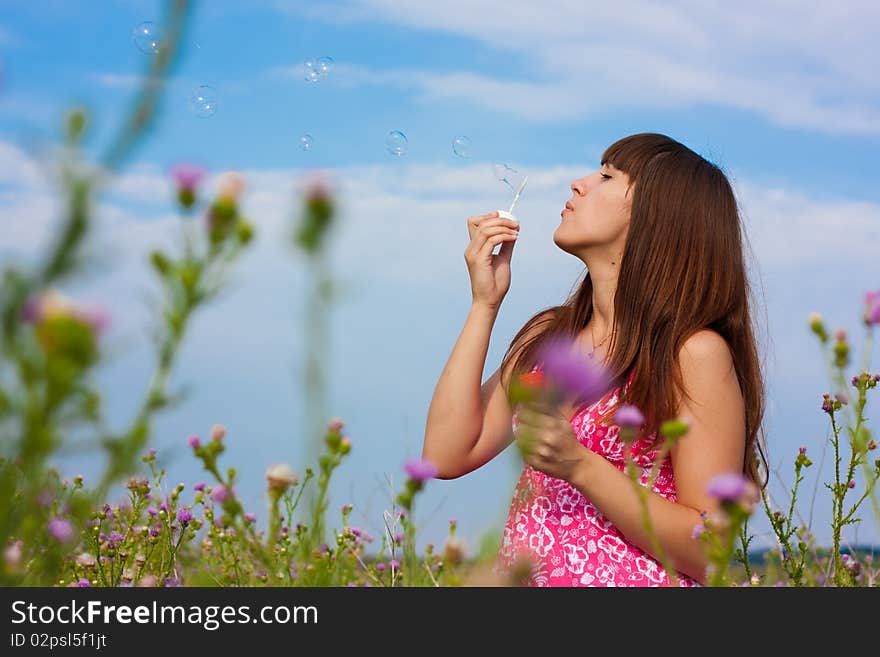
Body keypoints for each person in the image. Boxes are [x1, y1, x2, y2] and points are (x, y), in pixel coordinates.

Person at [421, 132, 768, 587]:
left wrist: (579, 464)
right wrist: (484, 305)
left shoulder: (692, 353)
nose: (578, 183)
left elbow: (712, 550)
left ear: (657, 217)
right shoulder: (551, 339)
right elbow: (445, 455)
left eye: (606, 175)